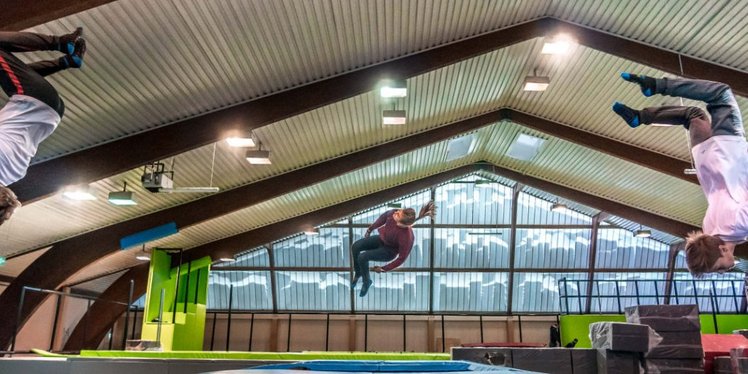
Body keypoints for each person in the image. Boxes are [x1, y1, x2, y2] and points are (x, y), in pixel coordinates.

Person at [612, 73, 747, 276]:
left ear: (722, 249)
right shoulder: (709, 229)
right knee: (692, 115)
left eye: (720, 267)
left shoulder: (740, 225)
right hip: (705, 159)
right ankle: (640, 117)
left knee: (720, 93)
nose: (724, 270)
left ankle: (656, 85)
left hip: (727, 152)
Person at [0, 28, 86, 225]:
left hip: (53, 111)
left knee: (13, 73)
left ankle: (67, 61)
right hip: (33, 98)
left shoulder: (14, 174)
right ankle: (60, 43)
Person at [351, 201, 436, 297]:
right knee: (355, 247)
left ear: (402, 224)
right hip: (382, 239)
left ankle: (367, 282)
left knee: (363, 257)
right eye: (399, 211)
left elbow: (401, 259)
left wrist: (383, 269)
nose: (396, 212)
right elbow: (382, 218)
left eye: (398, 214)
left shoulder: (407, 238)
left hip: (388, 252)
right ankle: (358, 273)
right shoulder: (393, 213)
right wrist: (370, 229)